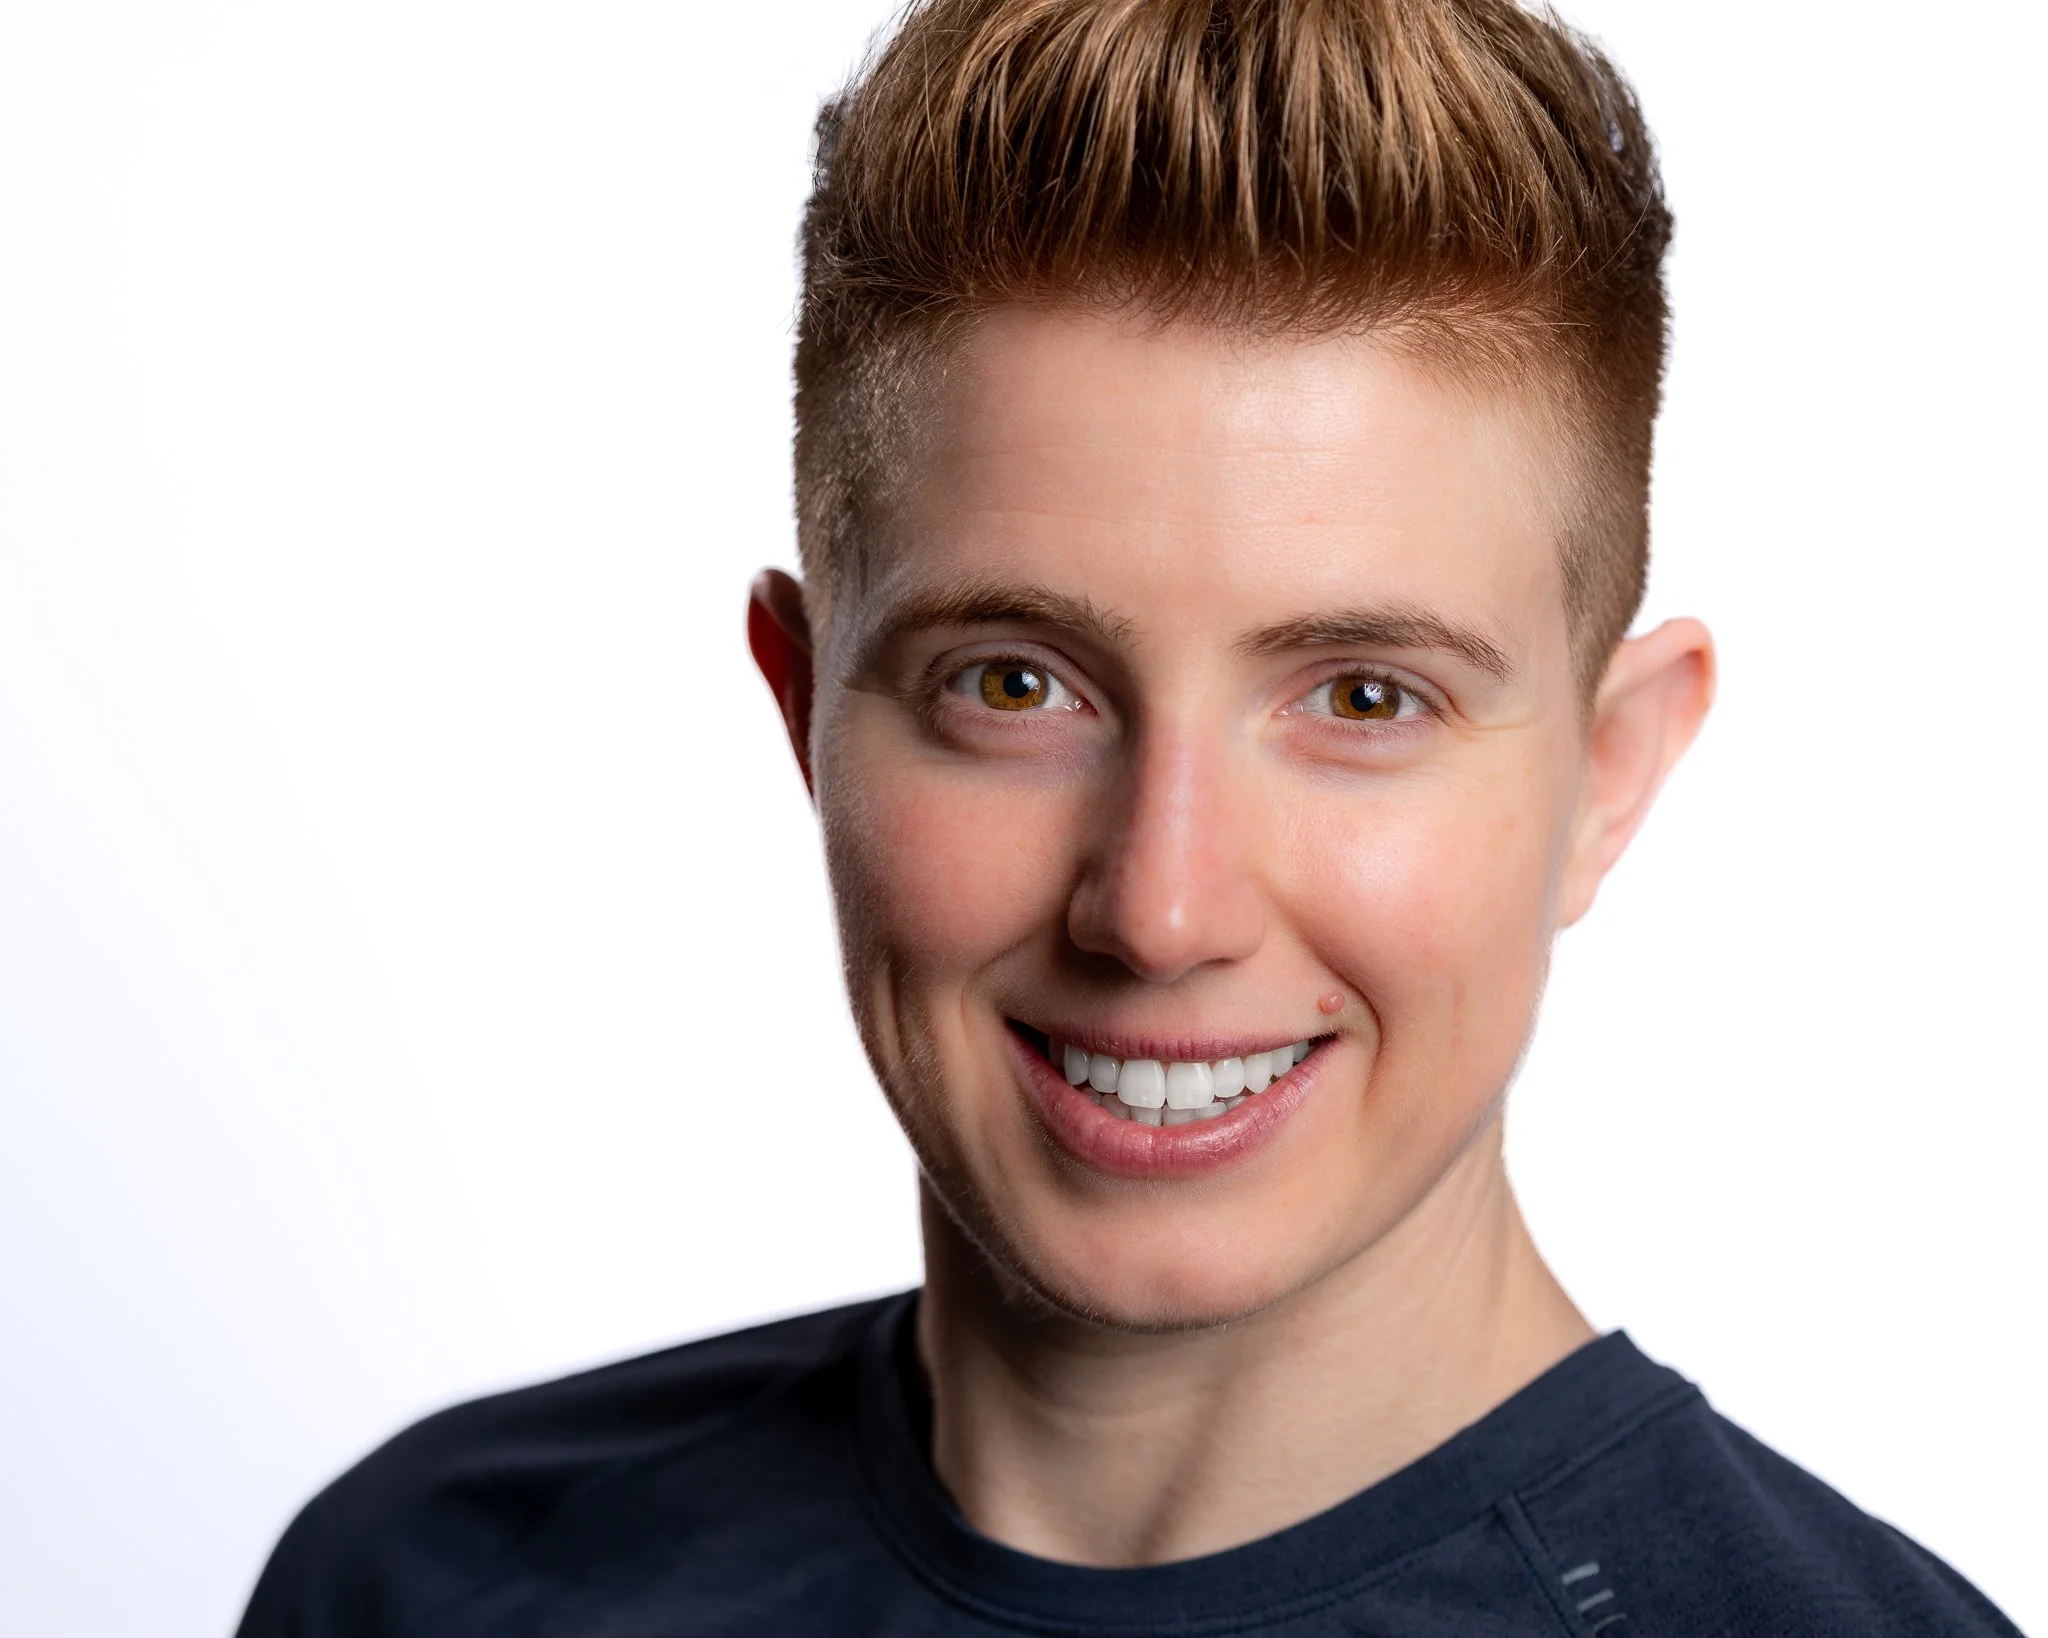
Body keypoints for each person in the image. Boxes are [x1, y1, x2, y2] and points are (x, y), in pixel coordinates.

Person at [236, 1, 2022, 1632]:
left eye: (1363, 698)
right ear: (804, 711)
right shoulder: (433, 1580)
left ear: (1608, 773)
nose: (1162, 909)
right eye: (1015, 684)